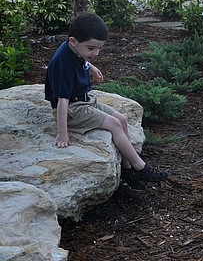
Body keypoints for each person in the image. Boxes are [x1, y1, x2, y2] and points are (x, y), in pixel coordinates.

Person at [46, 12, 167, 185]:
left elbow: (80, 59)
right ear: (73, 41)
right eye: (91, 48)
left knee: (121, 119)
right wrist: (62, 134)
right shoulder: (62, 64)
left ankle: (127, 168)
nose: (95, 52)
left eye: (99, 48)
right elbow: (62, 101)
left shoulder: (74, 49)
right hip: (72, 110)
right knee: (114, 124)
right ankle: (141, 168)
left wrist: (91, 68)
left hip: (84, 100)